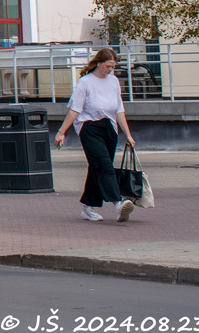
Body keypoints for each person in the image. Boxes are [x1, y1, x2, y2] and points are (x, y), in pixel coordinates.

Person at [54, 47, 138, 222]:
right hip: (90, 128)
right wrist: (61, 132)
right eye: (108, 66)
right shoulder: (85, 82)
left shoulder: (113, 81)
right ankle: (118, 203)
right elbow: (74, 110)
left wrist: (128, 135)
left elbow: (119, 110)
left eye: (112, 67)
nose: (110, 70)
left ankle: (88, 207)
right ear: (99, 63)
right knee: (105, 166)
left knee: (96, 168)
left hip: (109, 128)